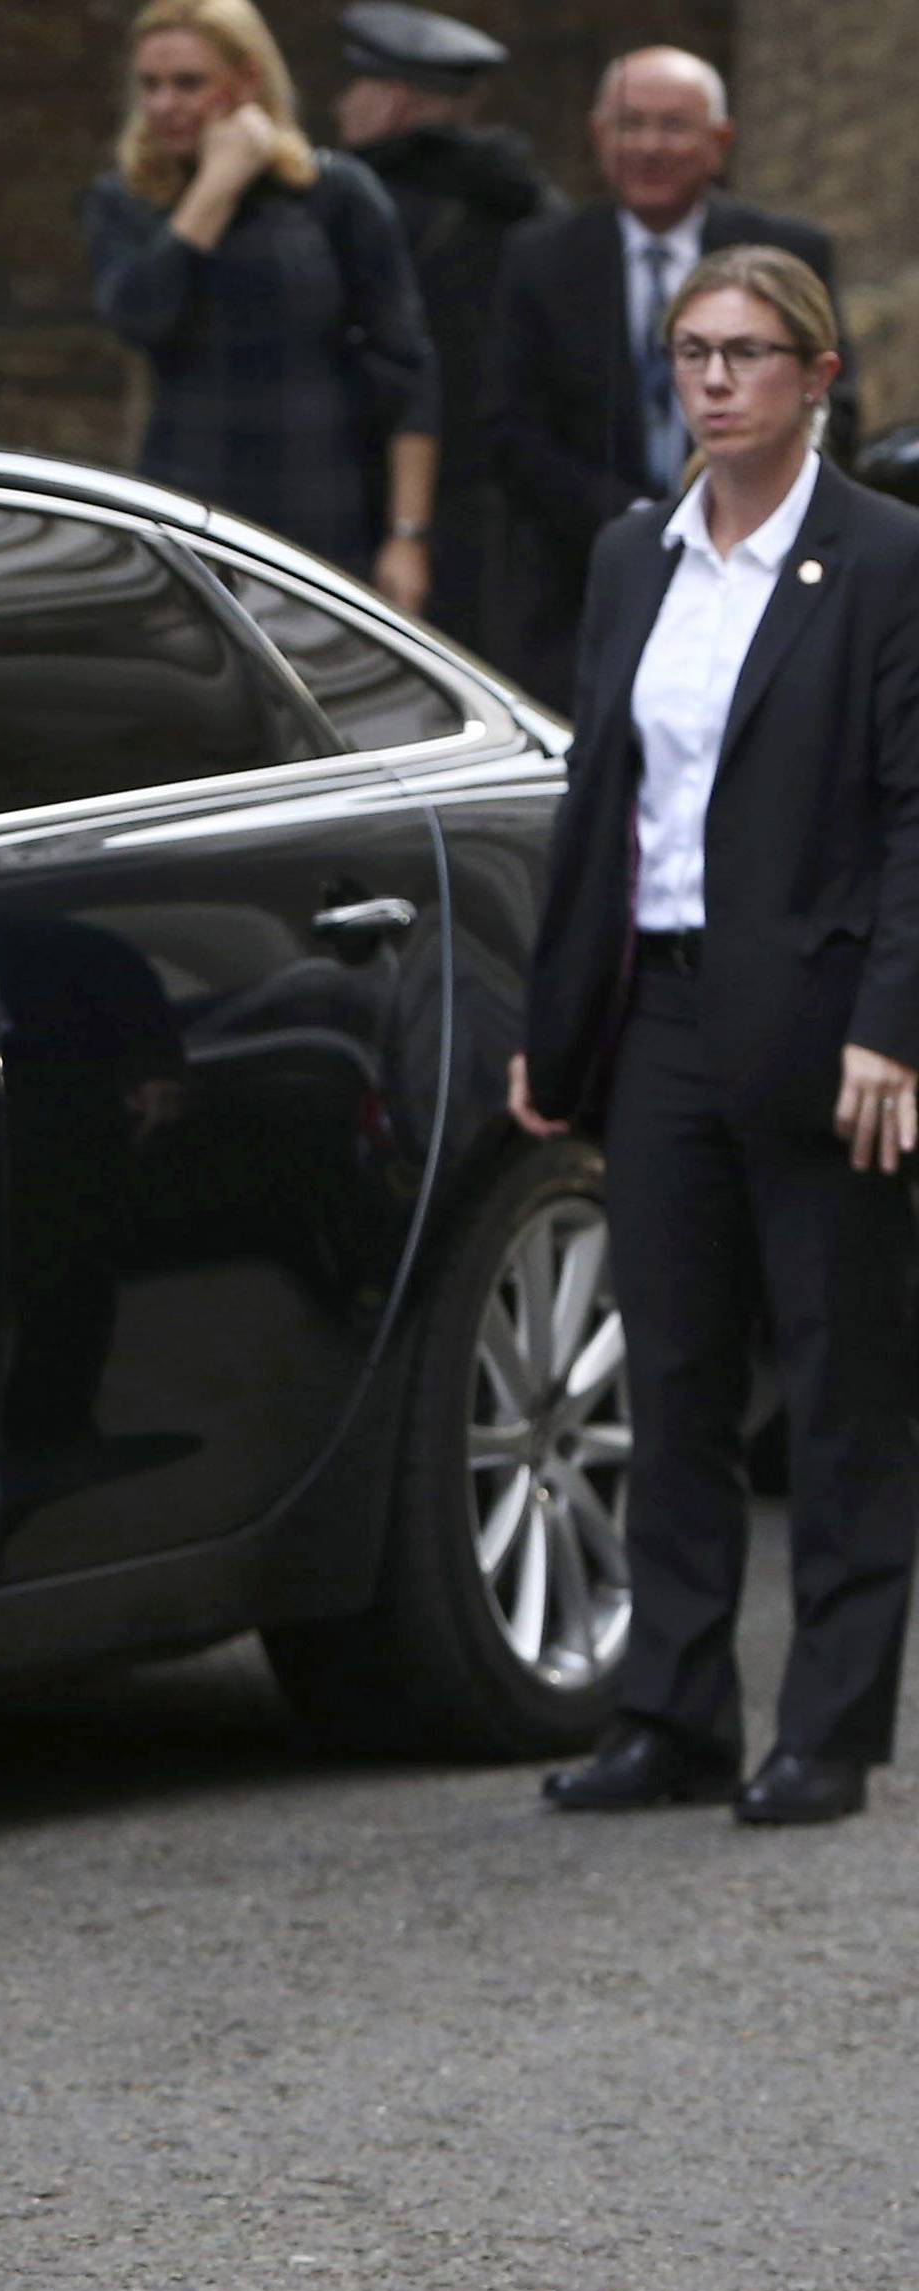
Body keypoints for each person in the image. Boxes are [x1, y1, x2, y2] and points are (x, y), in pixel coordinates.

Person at [510, 245, 919, 1828]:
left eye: (751, 353)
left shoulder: (884, 559)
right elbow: (598, 800)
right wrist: (559, 1025)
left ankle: (828, 1731)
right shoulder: (637, 555)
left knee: (836, 1386)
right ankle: (671, 1713)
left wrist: (895, 1027)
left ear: (817, 378)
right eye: (693, 352)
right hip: (660, 1013)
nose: (717, 380)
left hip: (825, 1030)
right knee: (671, 1377)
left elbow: (912, 811)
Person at [490, 47, 857, 710]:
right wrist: (640, 524)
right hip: (579, 592)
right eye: (631, 125)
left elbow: (839, 409)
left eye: (674, 126)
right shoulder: (541, 257)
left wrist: (747, 509)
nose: (650, 146)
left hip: (765, 573)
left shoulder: (790, 251)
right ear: (598, 136)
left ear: (720, 142)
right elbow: (512, 431)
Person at [82, 0, 441, 614]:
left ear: (247, 80)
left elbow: (408, 371)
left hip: (319, 507)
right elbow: (139, 317)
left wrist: (407, 536)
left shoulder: (333, 194)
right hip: (184, 501)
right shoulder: (126, 200)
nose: (165, 103)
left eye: (188, 83)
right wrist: (215, 186)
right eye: (151, 85)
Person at [334, 2, 559, 654]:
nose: (343, 104)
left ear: (395, 100)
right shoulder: (531, 203)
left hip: (380, 492)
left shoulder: (360, 203)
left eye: (356, 87)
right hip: (502, 503)